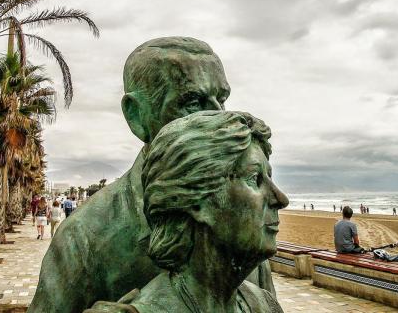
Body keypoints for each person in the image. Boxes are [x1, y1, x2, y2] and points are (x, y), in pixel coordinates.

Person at [30, 37, 274, 313]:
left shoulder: (241, 222)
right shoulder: (84, 238)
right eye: (193, 102)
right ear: (136, 115)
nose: (218, 117)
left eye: (221, 99)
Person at [86, 111, 287, 312]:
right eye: (254, 178)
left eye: (270, 177)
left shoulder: (265, 305)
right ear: (197, 201)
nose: (281, 199)